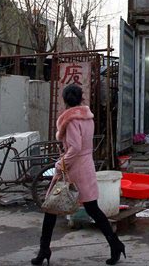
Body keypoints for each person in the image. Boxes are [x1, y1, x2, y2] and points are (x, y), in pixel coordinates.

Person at [32, 84, 125, 265]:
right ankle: (115, 244)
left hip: (73, 168)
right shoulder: (87, 118)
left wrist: (61, 164)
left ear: (65, 100)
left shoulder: (71, 120)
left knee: (51, 208)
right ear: (81, 98)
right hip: (86, 166)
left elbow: (75, 147)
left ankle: (44, 250)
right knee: (92, 209)